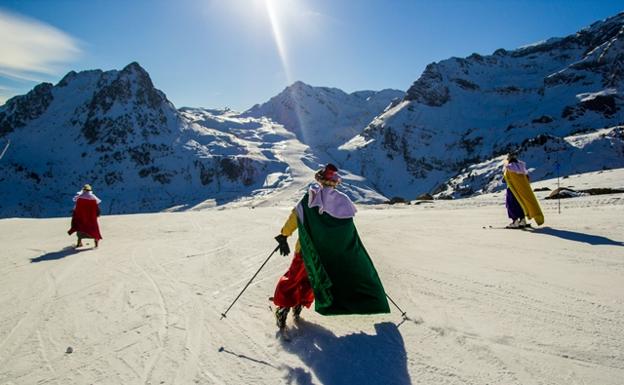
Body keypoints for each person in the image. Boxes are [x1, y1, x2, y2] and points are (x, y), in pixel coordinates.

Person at [272, 164, 389, 330]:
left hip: (305, 251)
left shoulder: (310, 198)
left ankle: (284, 307)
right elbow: (346, 232)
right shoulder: (343, 202)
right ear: (335, 183)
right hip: (327, 255)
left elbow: (295, 217)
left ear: (320, 180)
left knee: (294, 277)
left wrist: (284, 235)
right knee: (315, 280)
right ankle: (299, 304)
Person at [503, 154, 544, 228]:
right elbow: (527, 179)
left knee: (511, 205)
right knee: (521, 204)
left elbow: (505, 179)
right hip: (522, 190)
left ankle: (515, 221)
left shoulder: (509, 167)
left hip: (511, 189)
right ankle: (522, 220)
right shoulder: (522, 168)